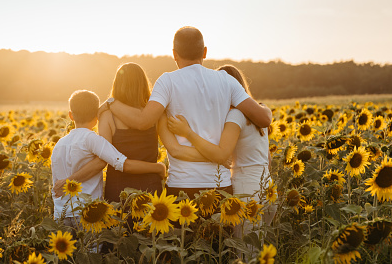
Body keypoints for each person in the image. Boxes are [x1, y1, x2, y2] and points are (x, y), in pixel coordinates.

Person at [102, 26, 272, 197]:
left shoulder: (167, 82)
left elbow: (143, 122)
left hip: (182, 185)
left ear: (174, 54)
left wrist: (111, 103)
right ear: (205, 52)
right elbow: (264, 119)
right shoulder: (227, 81)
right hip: (220, 184)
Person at [162, 65, 274, 240]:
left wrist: (188, 133)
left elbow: (221, 153)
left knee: (244, 251)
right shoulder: (260, 111)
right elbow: (268, 157)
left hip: (246, 190)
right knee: (262, 246)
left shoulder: (235, 116)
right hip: (267, 186)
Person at [53, 63, 163, 202]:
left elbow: (103, 157)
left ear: (117, 85)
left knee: (121, 223)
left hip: (119, 187)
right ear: (143, 84)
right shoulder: (152, 115)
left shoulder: (107, 115)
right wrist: (160, 168)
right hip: (150, 183)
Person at [51, 90, 166, 222]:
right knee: (91, 243)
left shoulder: (59, 144)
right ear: (96, 118)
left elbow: (56, 182)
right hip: (88, 213)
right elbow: (121, 163)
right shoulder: (92, 140)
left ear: (71, 115)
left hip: (61, 214)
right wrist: (158, 168)